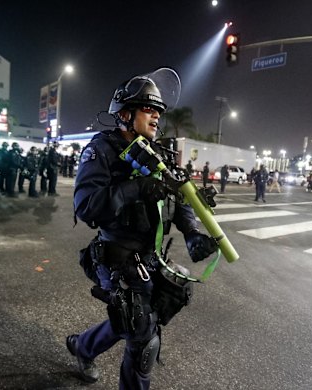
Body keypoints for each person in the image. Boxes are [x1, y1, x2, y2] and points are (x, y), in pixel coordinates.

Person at [67, 68, 218, 389]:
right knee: (143, 337)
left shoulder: (159, 153)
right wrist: (137, 188)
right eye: (148, 109)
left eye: (158, 112)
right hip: (116, 258)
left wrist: (192, 233)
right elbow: (86, 206)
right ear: (124, 113)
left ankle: (82, 347)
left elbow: (179, 198)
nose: (156, 117)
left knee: (135, 322)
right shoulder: (101, 150)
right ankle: (85, 349)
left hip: (151, 260)